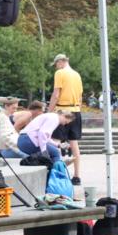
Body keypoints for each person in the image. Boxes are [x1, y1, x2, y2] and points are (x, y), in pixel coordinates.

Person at [48, 53, 84, 183]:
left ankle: (57, 173)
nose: (56, 67)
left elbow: (56, 94)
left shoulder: (60, 73)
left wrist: (49, 111)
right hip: (75, 111)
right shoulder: (77, 75)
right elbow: (80, 96)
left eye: (56, 64)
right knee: (74, 144)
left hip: (62, 111)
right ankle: (77, 175)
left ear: (61, 62)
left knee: (55, 142)